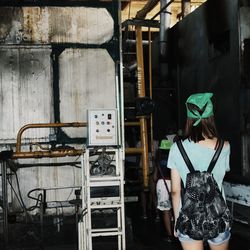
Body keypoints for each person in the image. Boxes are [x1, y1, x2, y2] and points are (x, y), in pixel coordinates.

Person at [167, 92, 231, 250]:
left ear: (189, 117)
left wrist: (177, 220)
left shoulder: (177, 148)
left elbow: (175, 191)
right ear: (211, 115)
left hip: (188, 217)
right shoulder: (225, 146)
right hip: (218, 214)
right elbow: (221, 179)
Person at [154, 139, 174, 242]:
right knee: (173, 209)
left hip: (162, 184)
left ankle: (169, 235)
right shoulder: (174, 159)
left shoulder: (158, 161)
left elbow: (154, 177)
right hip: (174, 183)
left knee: (165, 210)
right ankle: (176, 233)